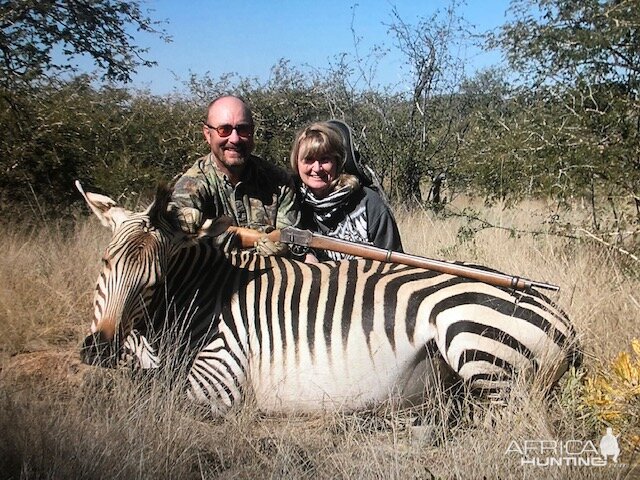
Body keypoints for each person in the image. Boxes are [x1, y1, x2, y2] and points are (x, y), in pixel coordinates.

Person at [171, 95, 299, 255]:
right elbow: (178, 232)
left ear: (252, 132)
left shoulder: (279, 182)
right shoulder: (191, 186)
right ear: (207, 134)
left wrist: (282, 246)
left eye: (243, 129)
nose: (235, 139)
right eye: (224, 130)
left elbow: (291, 238)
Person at [290, 120, 403, 261]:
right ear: (297, 163)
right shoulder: (291, 202)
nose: (317, 168)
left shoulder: (368, 202)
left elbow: (395, 261)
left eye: (325, 159)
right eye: (309, 160)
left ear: (337, 162)